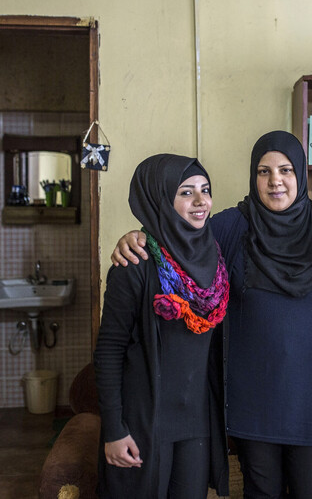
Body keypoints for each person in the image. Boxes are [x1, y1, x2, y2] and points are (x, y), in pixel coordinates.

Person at [111, 131, 312, 498]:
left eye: (286, 170)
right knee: (260, 492)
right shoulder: (231, 227)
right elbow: (179, 237)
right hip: (253, 401)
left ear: (301, 175)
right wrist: (136, 237)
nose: (275, 181)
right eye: (263, 171)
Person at [94, 154, 230, 498]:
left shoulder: (215, 257)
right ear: (160, 199)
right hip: (143, 422)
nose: (201, 202)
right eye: (186, 193)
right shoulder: (134, 264)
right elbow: (108, 351)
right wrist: (113, 429)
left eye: (205, 190)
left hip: (196, 423)